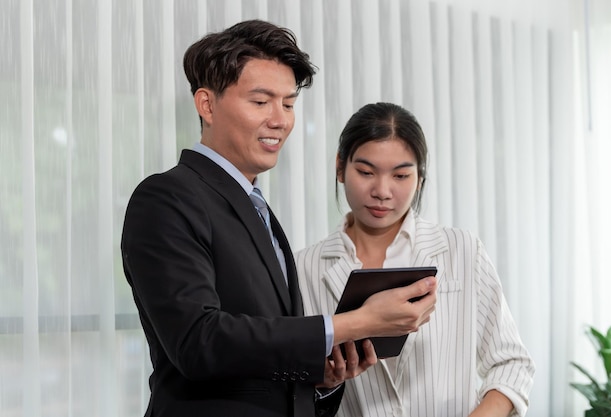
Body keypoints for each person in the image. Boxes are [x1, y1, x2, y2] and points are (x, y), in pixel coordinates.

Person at [121, 21, 438, 417]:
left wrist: (321, 381)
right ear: (207, 104)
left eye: (288, 104)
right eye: (260, 102)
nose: (280, 120)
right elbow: (199, 342)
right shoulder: (166, 197)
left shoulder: (257, 208)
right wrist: (353, 324)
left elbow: (260, 362)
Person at [295, 102, 535, 417]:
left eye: (401, 175)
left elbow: (511, 363)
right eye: (366, 172)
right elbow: (290, 387)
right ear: (340, 168)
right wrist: (322, 383)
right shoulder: (302, 269)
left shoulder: (461, 249)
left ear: (420, 178)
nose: (382, 190)